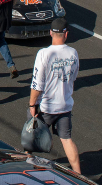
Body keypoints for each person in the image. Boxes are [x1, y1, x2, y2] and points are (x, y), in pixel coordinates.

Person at [29, 18, 81, 173]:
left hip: (46, 107)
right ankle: (79, 175)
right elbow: (74, 76)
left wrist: (32, 104)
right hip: (65, 105)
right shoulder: (73, 53)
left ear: (51, 32)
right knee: (67, 140)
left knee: (30, 139)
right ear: (66, 34)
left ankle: (27, 168)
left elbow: (37, 84)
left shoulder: (44, 53)